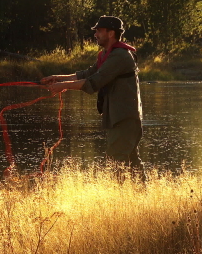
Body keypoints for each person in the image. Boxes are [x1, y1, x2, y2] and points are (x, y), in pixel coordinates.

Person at [41, 15, 145, 179]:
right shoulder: (109, 54)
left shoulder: (120, 56)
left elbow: (94, 82)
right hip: (120, 118)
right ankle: (140, 197)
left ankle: (119, 199)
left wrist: (62, 86)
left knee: (115, 163)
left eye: (99, 31)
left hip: (124, 118)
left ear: (111, 33)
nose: (95, 34)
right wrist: (58, 78)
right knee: (131, 163)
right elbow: (87, 74)